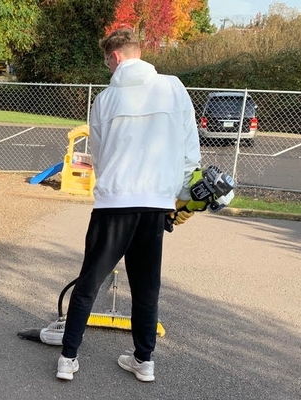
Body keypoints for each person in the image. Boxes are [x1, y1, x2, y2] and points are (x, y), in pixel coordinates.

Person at [56, 29, 201, 382]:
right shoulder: (173, 87)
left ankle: (68, 357)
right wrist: (182, 195)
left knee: (90, 280)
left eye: (107, 61)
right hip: (155, 203)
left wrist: (112, 184)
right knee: (146, 285)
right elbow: (188, 147)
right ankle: (144, 360)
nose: (107, 67)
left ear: (116, 57)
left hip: (115, 201)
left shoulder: (105, 99)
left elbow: (101, 156)